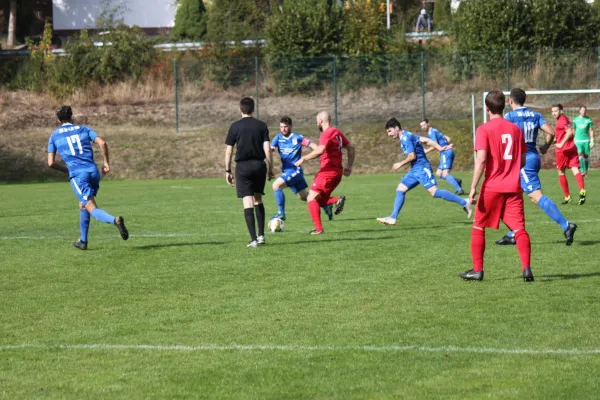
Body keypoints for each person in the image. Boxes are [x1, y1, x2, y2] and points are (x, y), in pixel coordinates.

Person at [460, 90, 533, 282]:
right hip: (513, 187)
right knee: (519, 229)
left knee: (478, 226)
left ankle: (478, 270)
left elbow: (482, 159)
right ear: (505, 105)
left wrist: (474, 186)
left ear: (487, 108)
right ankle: (526, 268)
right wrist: (510, 168)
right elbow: (523, 159)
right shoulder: (516, 130)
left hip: (492, 186)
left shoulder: (484, 129)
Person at [495, 89, 577, 246]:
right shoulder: (535, 115)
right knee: (511, 194)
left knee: (535, 195)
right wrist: (546, 146)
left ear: (510, 101)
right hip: (532, 157)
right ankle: (513, 233)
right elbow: (550, 132)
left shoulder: (510, 117)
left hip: (522, 161)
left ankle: (566, 225)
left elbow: (502, 137)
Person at [47, 106, 129, 250]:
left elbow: (51, 163)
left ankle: (115, 220)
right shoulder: (83, 129)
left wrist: (67, 170)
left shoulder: (55, 135)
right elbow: (102, 143)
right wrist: (106, 163)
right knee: (83, 204)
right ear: (72, 116)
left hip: (79, 176)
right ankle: (83, 241)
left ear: (58, 119)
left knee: (91, 207)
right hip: (93, 172)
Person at [376, 118, 471, 226]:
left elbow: (412, 156)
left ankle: (464, 202)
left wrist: (400, 164)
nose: (388, 134)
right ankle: (392, 218)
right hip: (415, 169)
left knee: (434, 192)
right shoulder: (408, 135)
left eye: (389, 131)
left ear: (397, 128)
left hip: (422, 168)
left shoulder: (406, 138)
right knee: (400, 189)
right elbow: (426, 140)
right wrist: (440, 148)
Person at [295, 111, 355, 235]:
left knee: (310, 197)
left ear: (321, 120)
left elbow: (320, 150)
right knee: (320, 200)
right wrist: (349, 167)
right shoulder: (336, 132)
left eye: (317, 121)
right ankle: (336, 200)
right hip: (337, 172)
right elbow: (351, 147)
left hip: (328, 171)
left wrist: (304, 158)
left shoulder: (326, 133)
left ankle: (318, 229)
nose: (317, 123)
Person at [225, 97, 274, 248]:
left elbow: (229, 151)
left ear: (240, 109)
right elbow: (267, 149)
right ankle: (261, 236)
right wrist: (270, 168)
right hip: (259, 165)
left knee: (247, 201)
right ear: (253, 109)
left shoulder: (235, 126)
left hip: (243, 167)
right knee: (258, 199)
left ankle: (253, 239)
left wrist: (227, 170)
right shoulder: (261, 125)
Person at [270, 116, 334, 222]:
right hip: (287, 171)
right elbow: (270, 149)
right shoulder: (278, 138)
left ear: (290, 126)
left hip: (295, 170)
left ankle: (281, 213)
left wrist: (320, 152)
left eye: (285, 127)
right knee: (304, 196)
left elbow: (313, 145)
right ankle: (325, 204)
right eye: (281, 127)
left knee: (276, 185)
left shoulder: (297, 137)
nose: (283, 129)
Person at [552, 104, 586, 205]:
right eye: (552, 111)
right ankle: (582, 190)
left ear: (561, 111)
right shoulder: (565, 119)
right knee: (575, 169)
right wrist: (557, 139)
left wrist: (561, 143)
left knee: (561, 172)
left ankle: (567, 197)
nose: (554, 113)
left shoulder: (562, 120)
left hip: (563, 150)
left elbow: (570, 132)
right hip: (572, 148)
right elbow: (571, 132)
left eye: (556, 111)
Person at [420, 119, 464, 194]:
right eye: (421, 126)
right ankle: (456, 181)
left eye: (424, 125)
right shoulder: (435, 130)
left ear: (428, 124)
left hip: (446, 153)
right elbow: (448, 138)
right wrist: (445, 145)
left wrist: (426, 151)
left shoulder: (431, 132)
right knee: (439, 173)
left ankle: (459, 190)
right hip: (446, 152)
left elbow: (434, 145)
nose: (423, 127)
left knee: (445, 173)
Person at [573, 106, 594, 176]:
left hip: (586, 140)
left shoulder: (588, 120)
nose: (583, 112)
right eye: (582, 110)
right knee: (580, 154)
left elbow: (590, 130)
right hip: (578, 140)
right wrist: (573, 138)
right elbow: (574, 129)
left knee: (586, 156)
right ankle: (582, 170)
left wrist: (592, 139)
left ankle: (585, 171)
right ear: (579, 111)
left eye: (584, 110)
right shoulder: (575, 119)